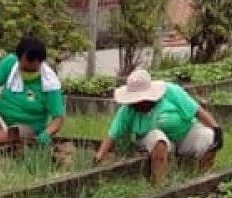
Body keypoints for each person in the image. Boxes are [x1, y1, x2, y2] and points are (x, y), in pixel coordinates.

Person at [94, 70, 224, 186]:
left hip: (184, 134)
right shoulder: (127, 110)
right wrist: (99, 157)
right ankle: (159, 184)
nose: (139, 103)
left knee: (209, 137)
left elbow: (197, 111)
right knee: (158, 140)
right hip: (154, 139)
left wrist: (216, 129)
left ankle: (202, 179)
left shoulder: (172, 92)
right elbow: (113, 134)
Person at [0, 36, 65, 150]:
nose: (29, 72)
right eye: (25, 69)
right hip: (0, 120)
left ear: (41, 63)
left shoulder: (50, 83)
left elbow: (58, 118)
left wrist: (46, 134)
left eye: (33, 70)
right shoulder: (10, 64)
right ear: (18, 59)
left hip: (26, 129)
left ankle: (2, 154)